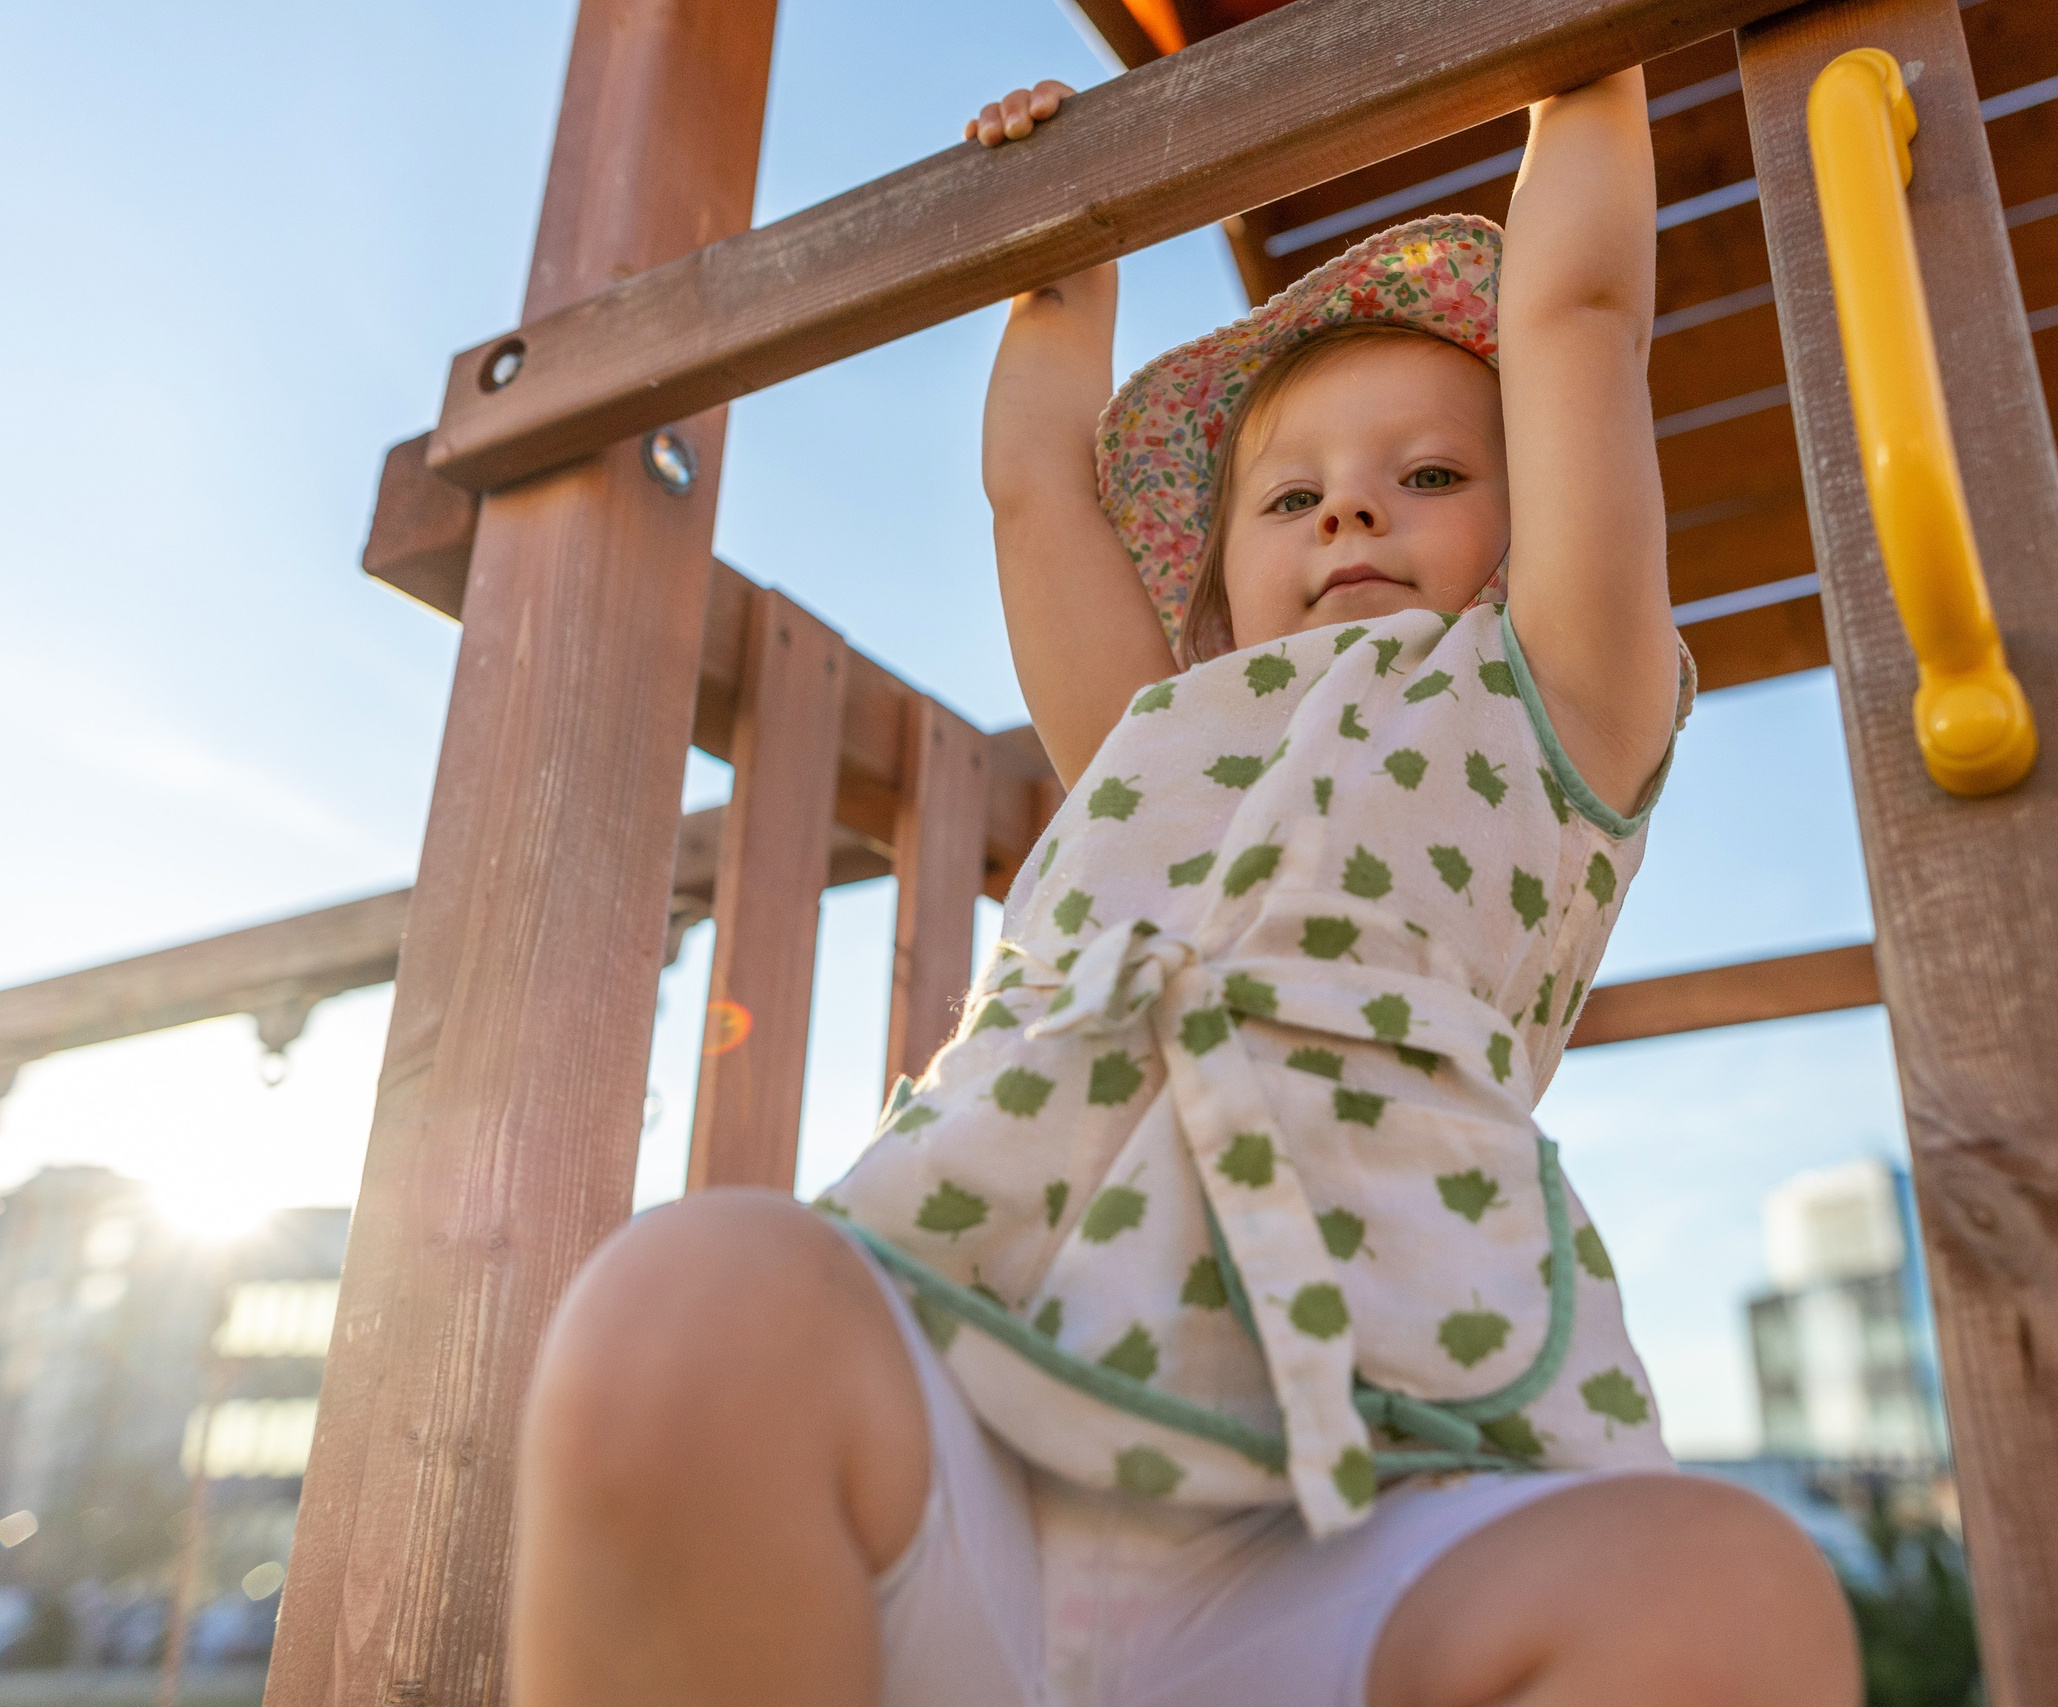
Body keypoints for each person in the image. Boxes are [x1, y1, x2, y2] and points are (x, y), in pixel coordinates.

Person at [513, 71, 1859, 1707]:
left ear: (1529, 538)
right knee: (687, 1301)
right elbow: (1036, 491)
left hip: (1364, 1475)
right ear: (1214, 586)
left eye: (1434, 478)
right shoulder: (1156, 732)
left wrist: (1583, 67)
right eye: (1291, 499)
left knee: (1717, 1595)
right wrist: (1059, 251)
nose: (1351, 507)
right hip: (988, 1403)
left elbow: (1577, 316)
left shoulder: (1551, 700)